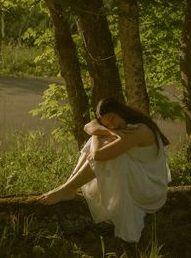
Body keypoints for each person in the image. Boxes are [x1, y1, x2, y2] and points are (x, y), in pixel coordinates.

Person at [39, 98, 171, 243]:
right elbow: (88, 126)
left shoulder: (139, 130)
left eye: (113, 119)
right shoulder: (118, 127)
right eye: (106, 122)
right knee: (101, 140)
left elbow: (98, 155)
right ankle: (69, 186)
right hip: (139, 179)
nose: (112, 124)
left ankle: (67, 188)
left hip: (150, 188)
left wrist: (98, 134)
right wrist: (106, 131)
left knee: (110, 152)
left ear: (121, 111)